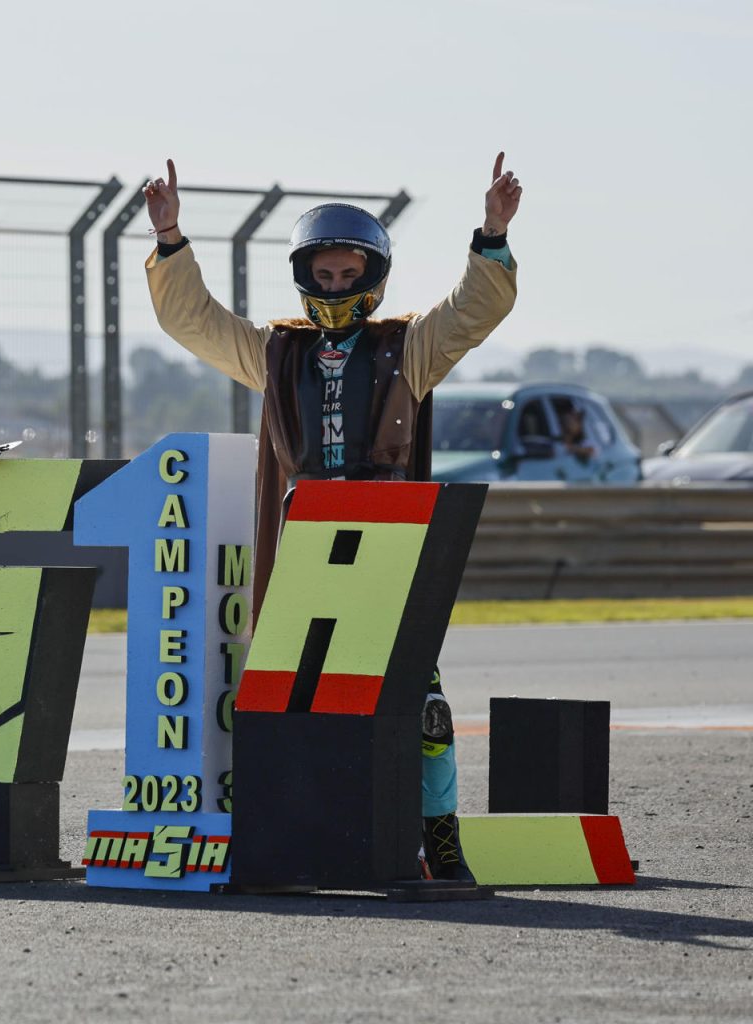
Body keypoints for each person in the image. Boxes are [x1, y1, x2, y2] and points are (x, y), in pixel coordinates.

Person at [142, 154, 522, 882]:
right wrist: (170, 241)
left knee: (423, 707)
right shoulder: (274, 351)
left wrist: (493, 232)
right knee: (291, 698)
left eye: (349, 276)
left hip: (388, 551)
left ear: (373, 279)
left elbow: (473, 311)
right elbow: (194, 322)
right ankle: (293, 839)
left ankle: (439, 841)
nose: (336, 287)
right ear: (304, 276)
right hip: (304, 553)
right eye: (325, 275)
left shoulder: (409, 347)